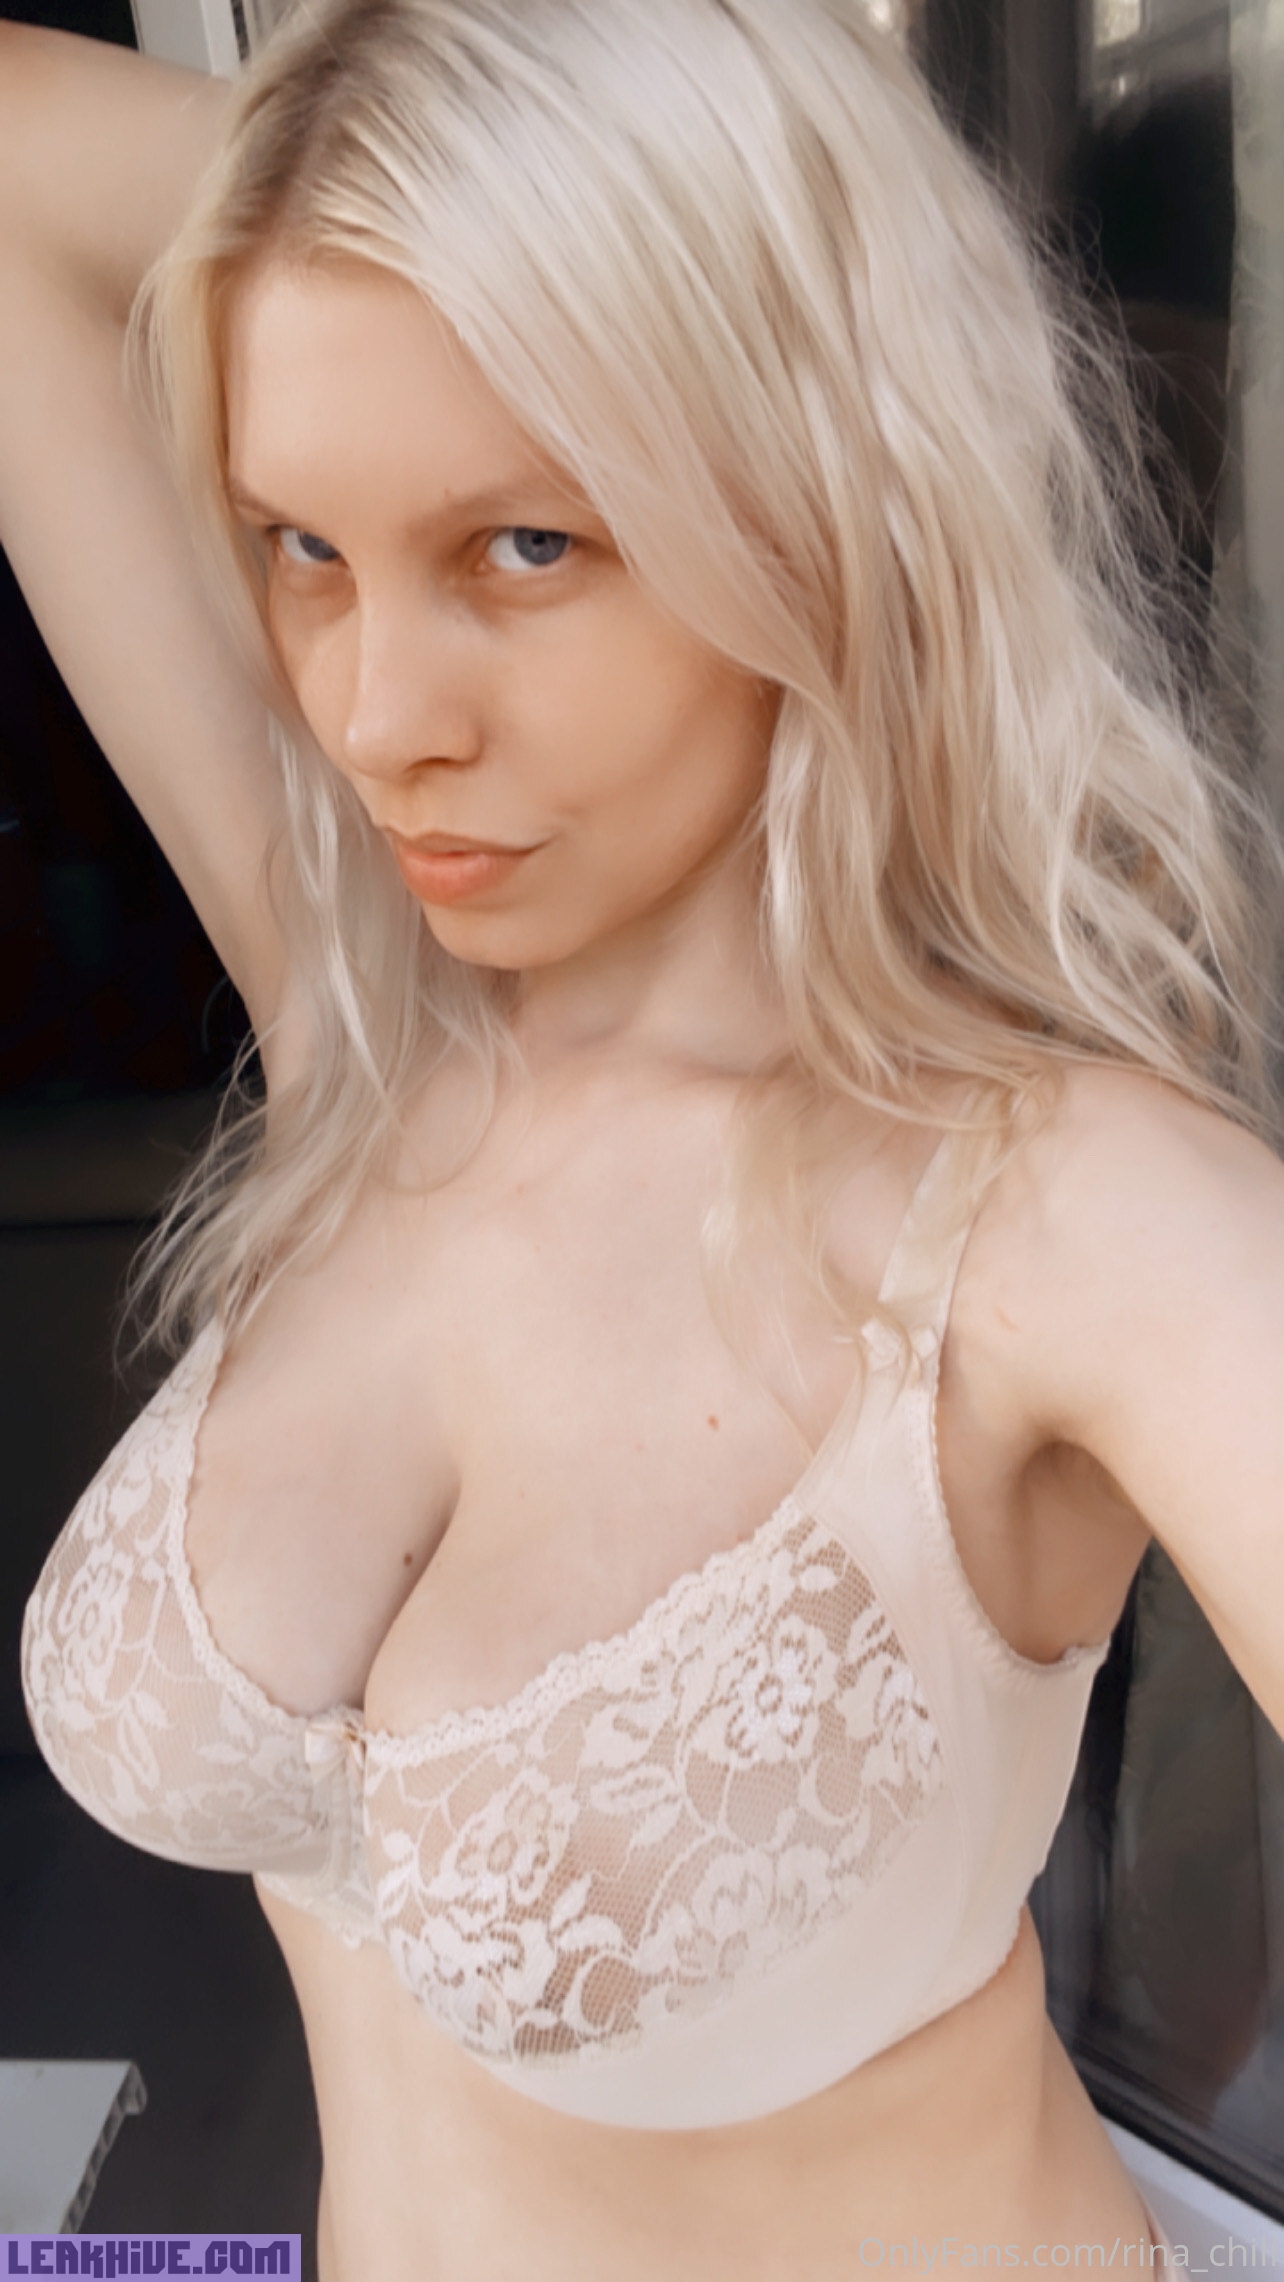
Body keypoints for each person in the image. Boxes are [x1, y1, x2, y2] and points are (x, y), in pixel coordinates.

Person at [7, 3, 1284, 2276]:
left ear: (818, 490)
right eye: (302, 542)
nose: (376, 717)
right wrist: (465, 193)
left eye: (525, 543)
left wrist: (725, 249)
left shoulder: (1061, 1224)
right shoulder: (372, 1028)